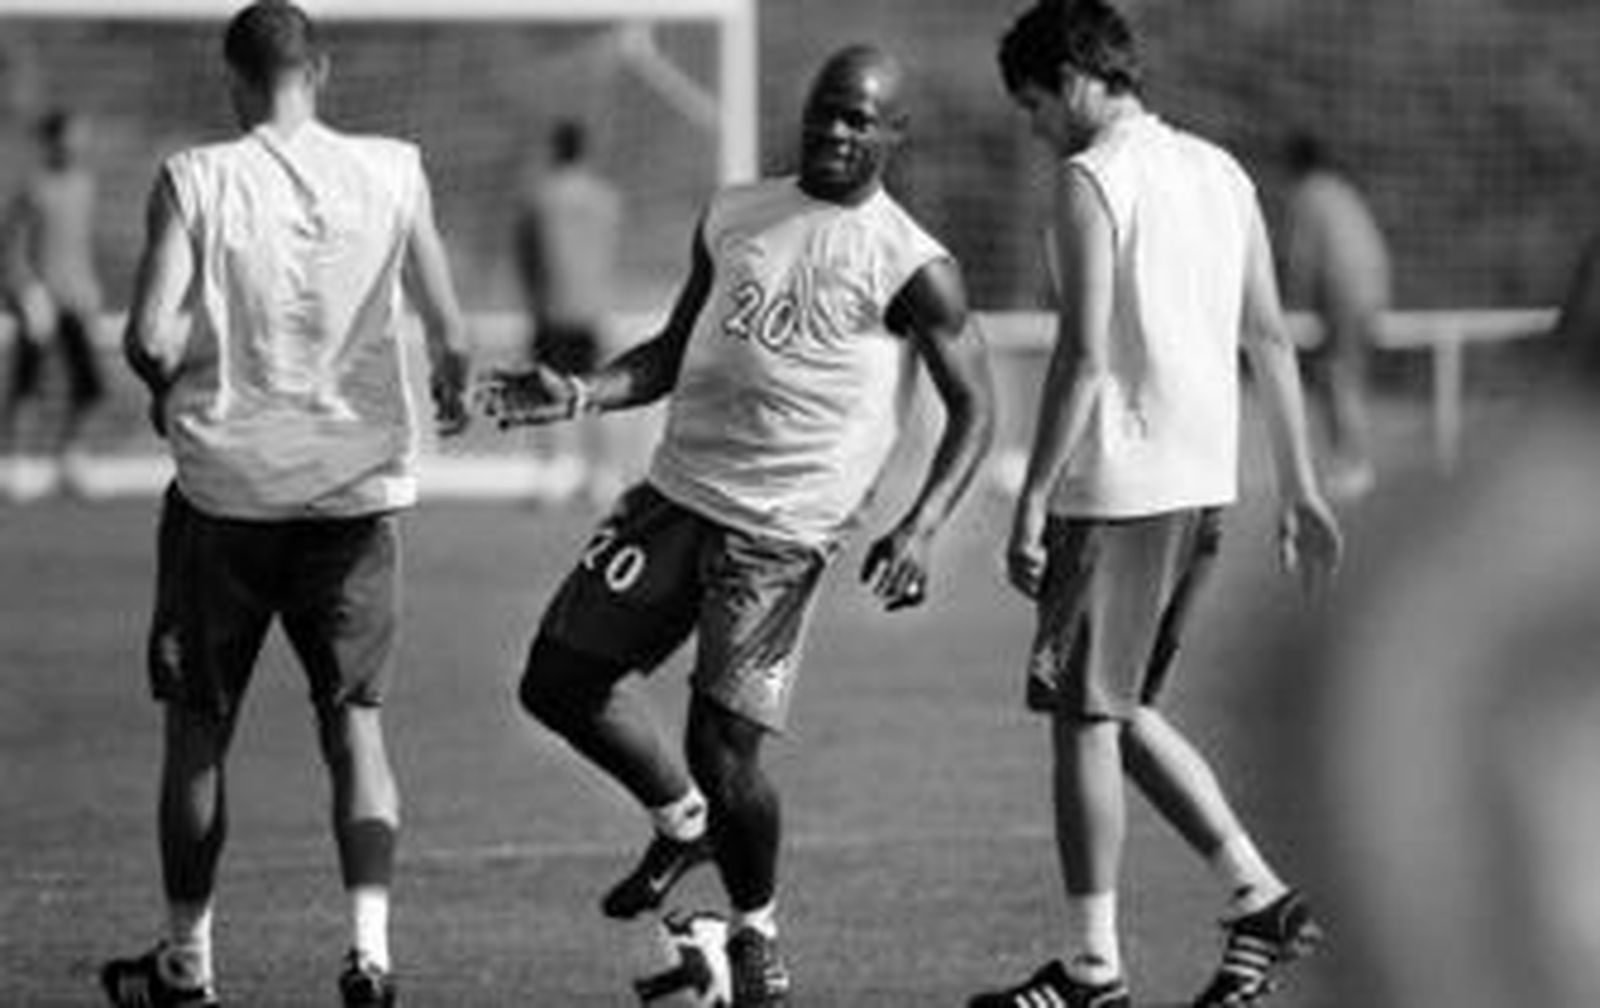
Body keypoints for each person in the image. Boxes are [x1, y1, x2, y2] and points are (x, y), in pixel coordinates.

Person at [480, 44, 996, 1008]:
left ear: (893, 134)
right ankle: (683, 826)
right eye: (825, 111)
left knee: (727, 752)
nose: (836, 130)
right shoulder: (736, 214)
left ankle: (756, 933)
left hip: (780, 534)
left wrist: (922, 525)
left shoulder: (914, 265)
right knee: (556, 681)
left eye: (859, 118)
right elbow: (673, 353)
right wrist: (581, 393)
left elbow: (978, 409)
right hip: (676, 498)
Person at [99, 2, 470, 1006]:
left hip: (227, 496)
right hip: (355, 498)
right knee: (355, 727)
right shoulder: (396, 168)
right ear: (325, 72)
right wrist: (453, 377)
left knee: (197, 733)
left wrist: (157, 388)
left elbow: (149, 336)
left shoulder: (197, 177)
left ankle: (186, 963)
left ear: (233, 78)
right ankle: (369, 953)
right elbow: (450, 326)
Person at [972, 3, 1342, 1007]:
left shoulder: (1092, 180)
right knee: (1117, 707)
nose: (1034, 126)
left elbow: (1083, 355)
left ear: (1072, 80)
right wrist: (1300, 487)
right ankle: (1258, 897)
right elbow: (1269, 339)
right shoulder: (1221, 172)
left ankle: (1093, 974)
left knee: (1084, 722)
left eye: (1033, 104)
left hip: (1120, 489)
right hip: (1201, 485)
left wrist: (1030, 494)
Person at [513, 118, 625, 507]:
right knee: (598, 395)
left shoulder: (541, 198)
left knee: (548, 393)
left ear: (555, 150)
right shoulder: (606, 198)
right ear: (585, 150)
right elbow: (609, 252)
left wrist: (534, 300)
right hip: (593, 310)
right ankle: (603, 477)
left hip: (551, 310)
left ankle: (554, 476)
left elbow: (528, 258)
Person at [0, 108, 106, 500]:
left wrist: (91, 288)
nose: (77, 143)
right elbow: (11, 248)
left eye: (80, 135)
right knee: (26, 384)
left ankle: (70, 459)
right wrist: (26, 291)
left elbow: (80, 245)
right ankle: (16, 466)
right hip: (39, 301)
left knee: (90, 385)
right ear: (53, 141)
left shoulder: (85, 185)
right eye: (70, 136)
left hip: (75, 300)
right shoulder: (33, 187)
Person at [1280, 129, 1392, 501]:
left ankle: (1353, 465)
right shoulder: (1342, 189)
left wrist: (1289, 311)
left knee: (1337, 375)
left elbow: (1302, 257)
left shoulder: (1309, 193)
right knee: (1348, 375)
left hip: (1345, 288)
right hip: (1374, 284)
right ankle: (1353, 462)